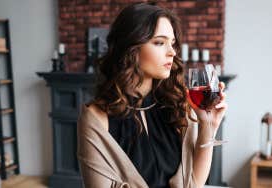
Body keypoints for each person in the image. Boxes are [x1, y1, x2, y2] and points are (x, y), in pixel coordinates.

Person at [77, 2, 227, 188]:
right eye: (159, 42)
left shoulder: (176, 105)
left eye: (172, 43)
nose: (172, 52)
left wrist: (208, 125)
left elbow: (193, 184)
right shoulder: (96, 118)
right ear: (131, 47)